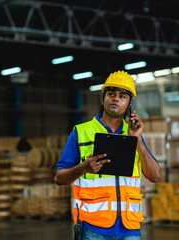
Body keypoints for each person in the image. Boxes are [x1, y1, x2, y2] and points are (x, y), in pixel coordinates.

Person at [54, 70, 161, 240]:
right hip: (92, 228)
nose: (116, 99)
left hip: (129, 228)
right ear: (103, 98)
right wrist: (83, 168)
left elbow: (155, 176)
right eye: (111, 94)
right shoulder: (81, 132)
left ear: (129, 104)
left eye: (122, 96)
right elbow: (59, 178)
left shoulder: (134, 134)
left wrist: (138, 140)